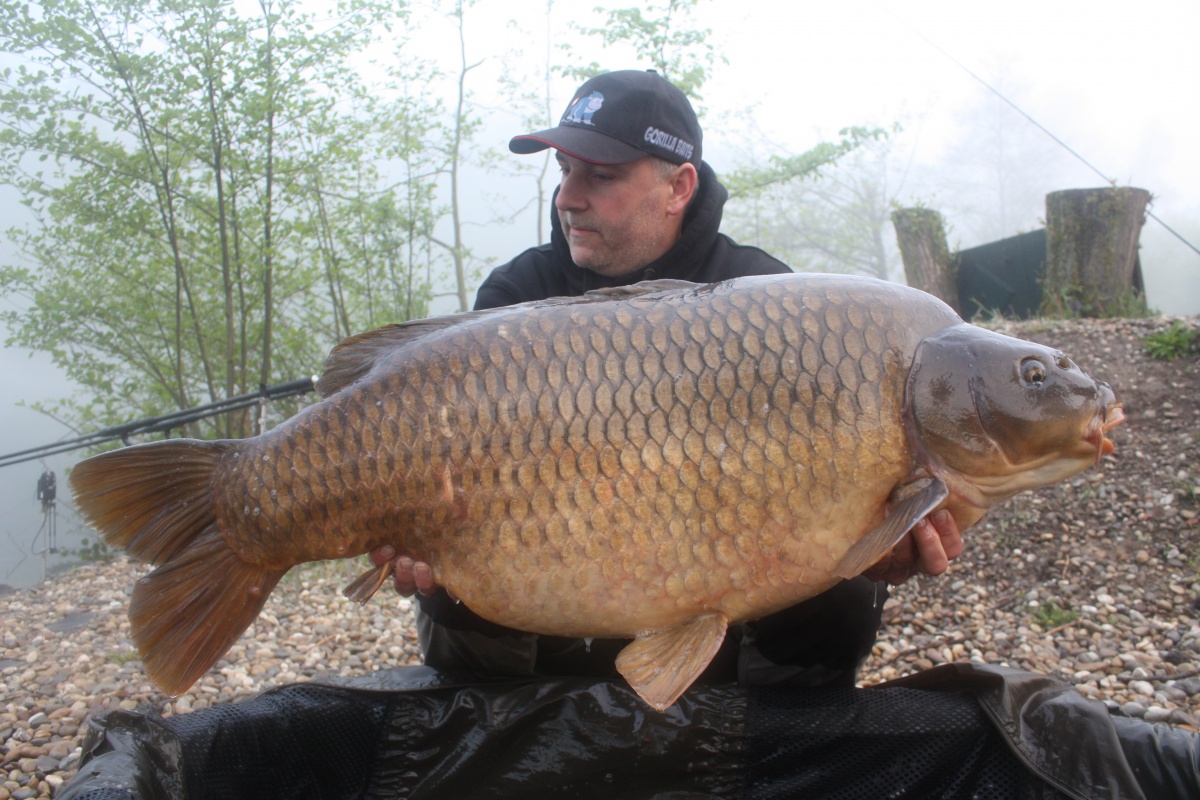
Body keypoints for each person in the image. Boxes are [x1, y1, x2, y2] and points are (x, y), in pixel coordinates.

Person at [369, 69, 963, 687]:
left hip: (722, 607)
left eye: (600, 176)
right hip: (550, 592)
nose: (567, 197)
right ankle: (507, 729)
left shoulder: (771, 301)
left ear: (678, 187)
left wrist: (878, 540)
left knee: (845, 590)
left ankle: (768, 733)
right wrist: (426, 547)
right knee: (449, 588)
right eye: (564, 171)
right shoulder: (518, 296)